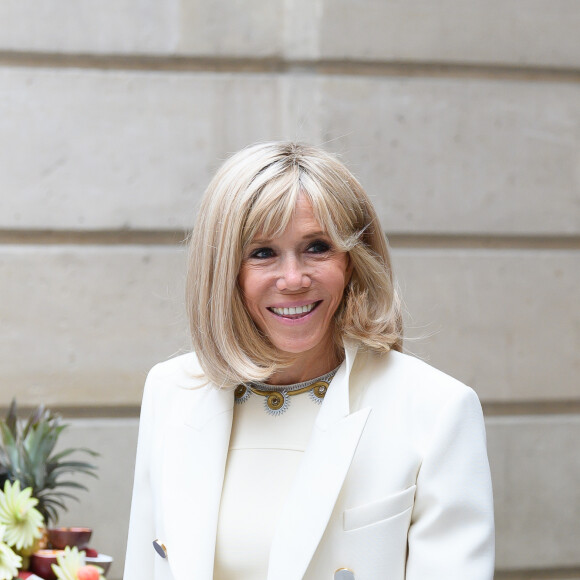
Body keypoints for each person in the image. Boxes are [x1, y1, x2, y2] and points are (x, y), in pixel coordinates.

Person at [124, 142, 494, 580]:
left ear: (354, 261)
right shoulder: (170, 390)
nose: (294, 279)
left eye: (317, 247)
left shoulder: (438, 408)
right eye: (262, 253)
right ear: (224, 270)